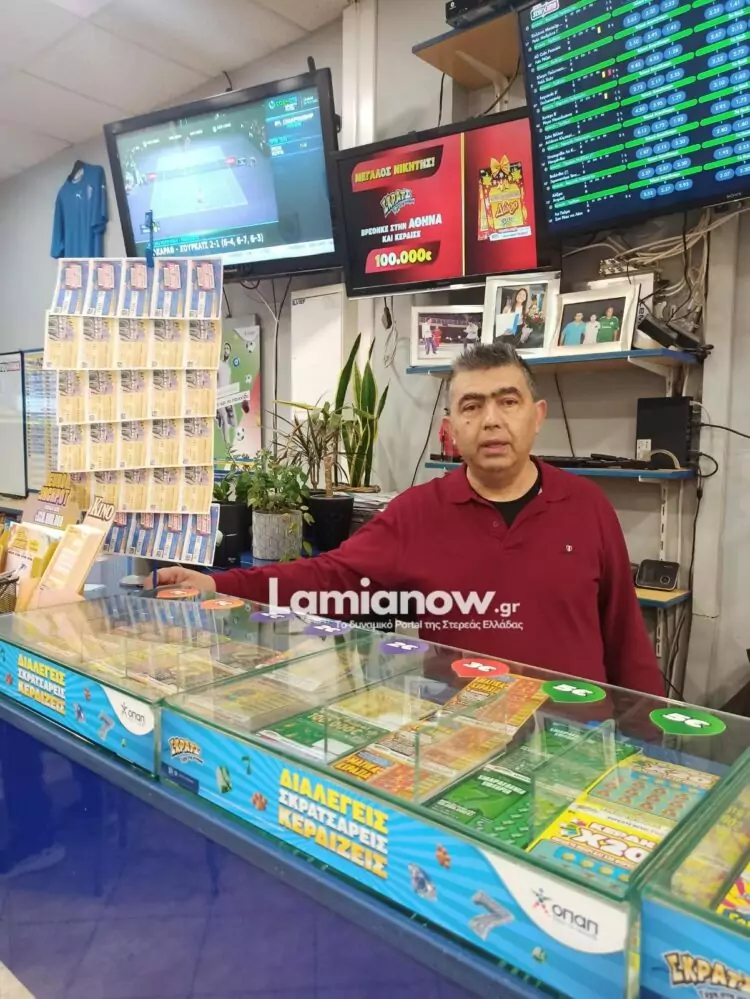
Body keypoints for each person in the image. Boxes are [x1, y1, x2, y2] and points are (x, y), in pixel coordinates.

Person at [154, 343, 663, 695]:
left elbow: (625, 638)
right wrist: (219, 585)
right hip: (463, 736)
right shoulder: (418, 514)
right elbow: (327, 577)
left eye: (508, 402)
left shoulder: (587, 505)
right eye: (472, 406)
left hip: (578, 738)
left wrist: (654, 744)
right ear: (451, 429)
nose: (491, 419)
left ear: (537, 415)